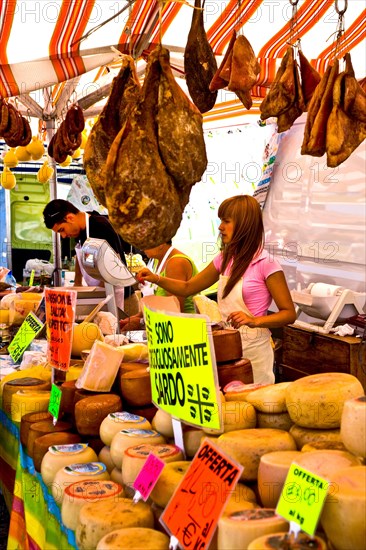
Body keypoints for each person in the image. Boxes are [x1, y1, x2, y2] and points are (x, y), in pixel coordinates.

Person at [137, 195, 297, 384]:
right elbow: (188, 288)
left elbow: (289, 314)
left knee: (251, 407)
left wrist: (255, 320)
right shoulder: (224, 259)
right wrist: (156, 278)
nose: (220, 227)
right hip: (226, 348)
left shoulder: (266, 264)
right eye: (221, 220)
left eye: (226, 221)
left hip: (255, 351)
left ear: (244, 225)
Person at [43, 199, 139, 316]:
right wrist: (77, 283)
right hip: (103, 295)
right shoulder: (80, 231)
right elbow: (80, 255)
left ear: (70, 218)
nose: (63, 236)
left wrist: (96, 295)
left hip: (123, 301)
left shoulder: (99, 227)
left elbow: (112, 266)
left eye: (62, 230)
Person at [120, 241, 198, 331]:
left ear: (161, 242)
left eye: (145, 242)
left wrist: (141, 322)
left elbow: (175, 312)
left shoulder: (176, 262)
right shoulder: (157, 261)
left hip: (186, 329)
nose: (141, 248)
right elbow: (159, 302)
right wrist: (136, 317)